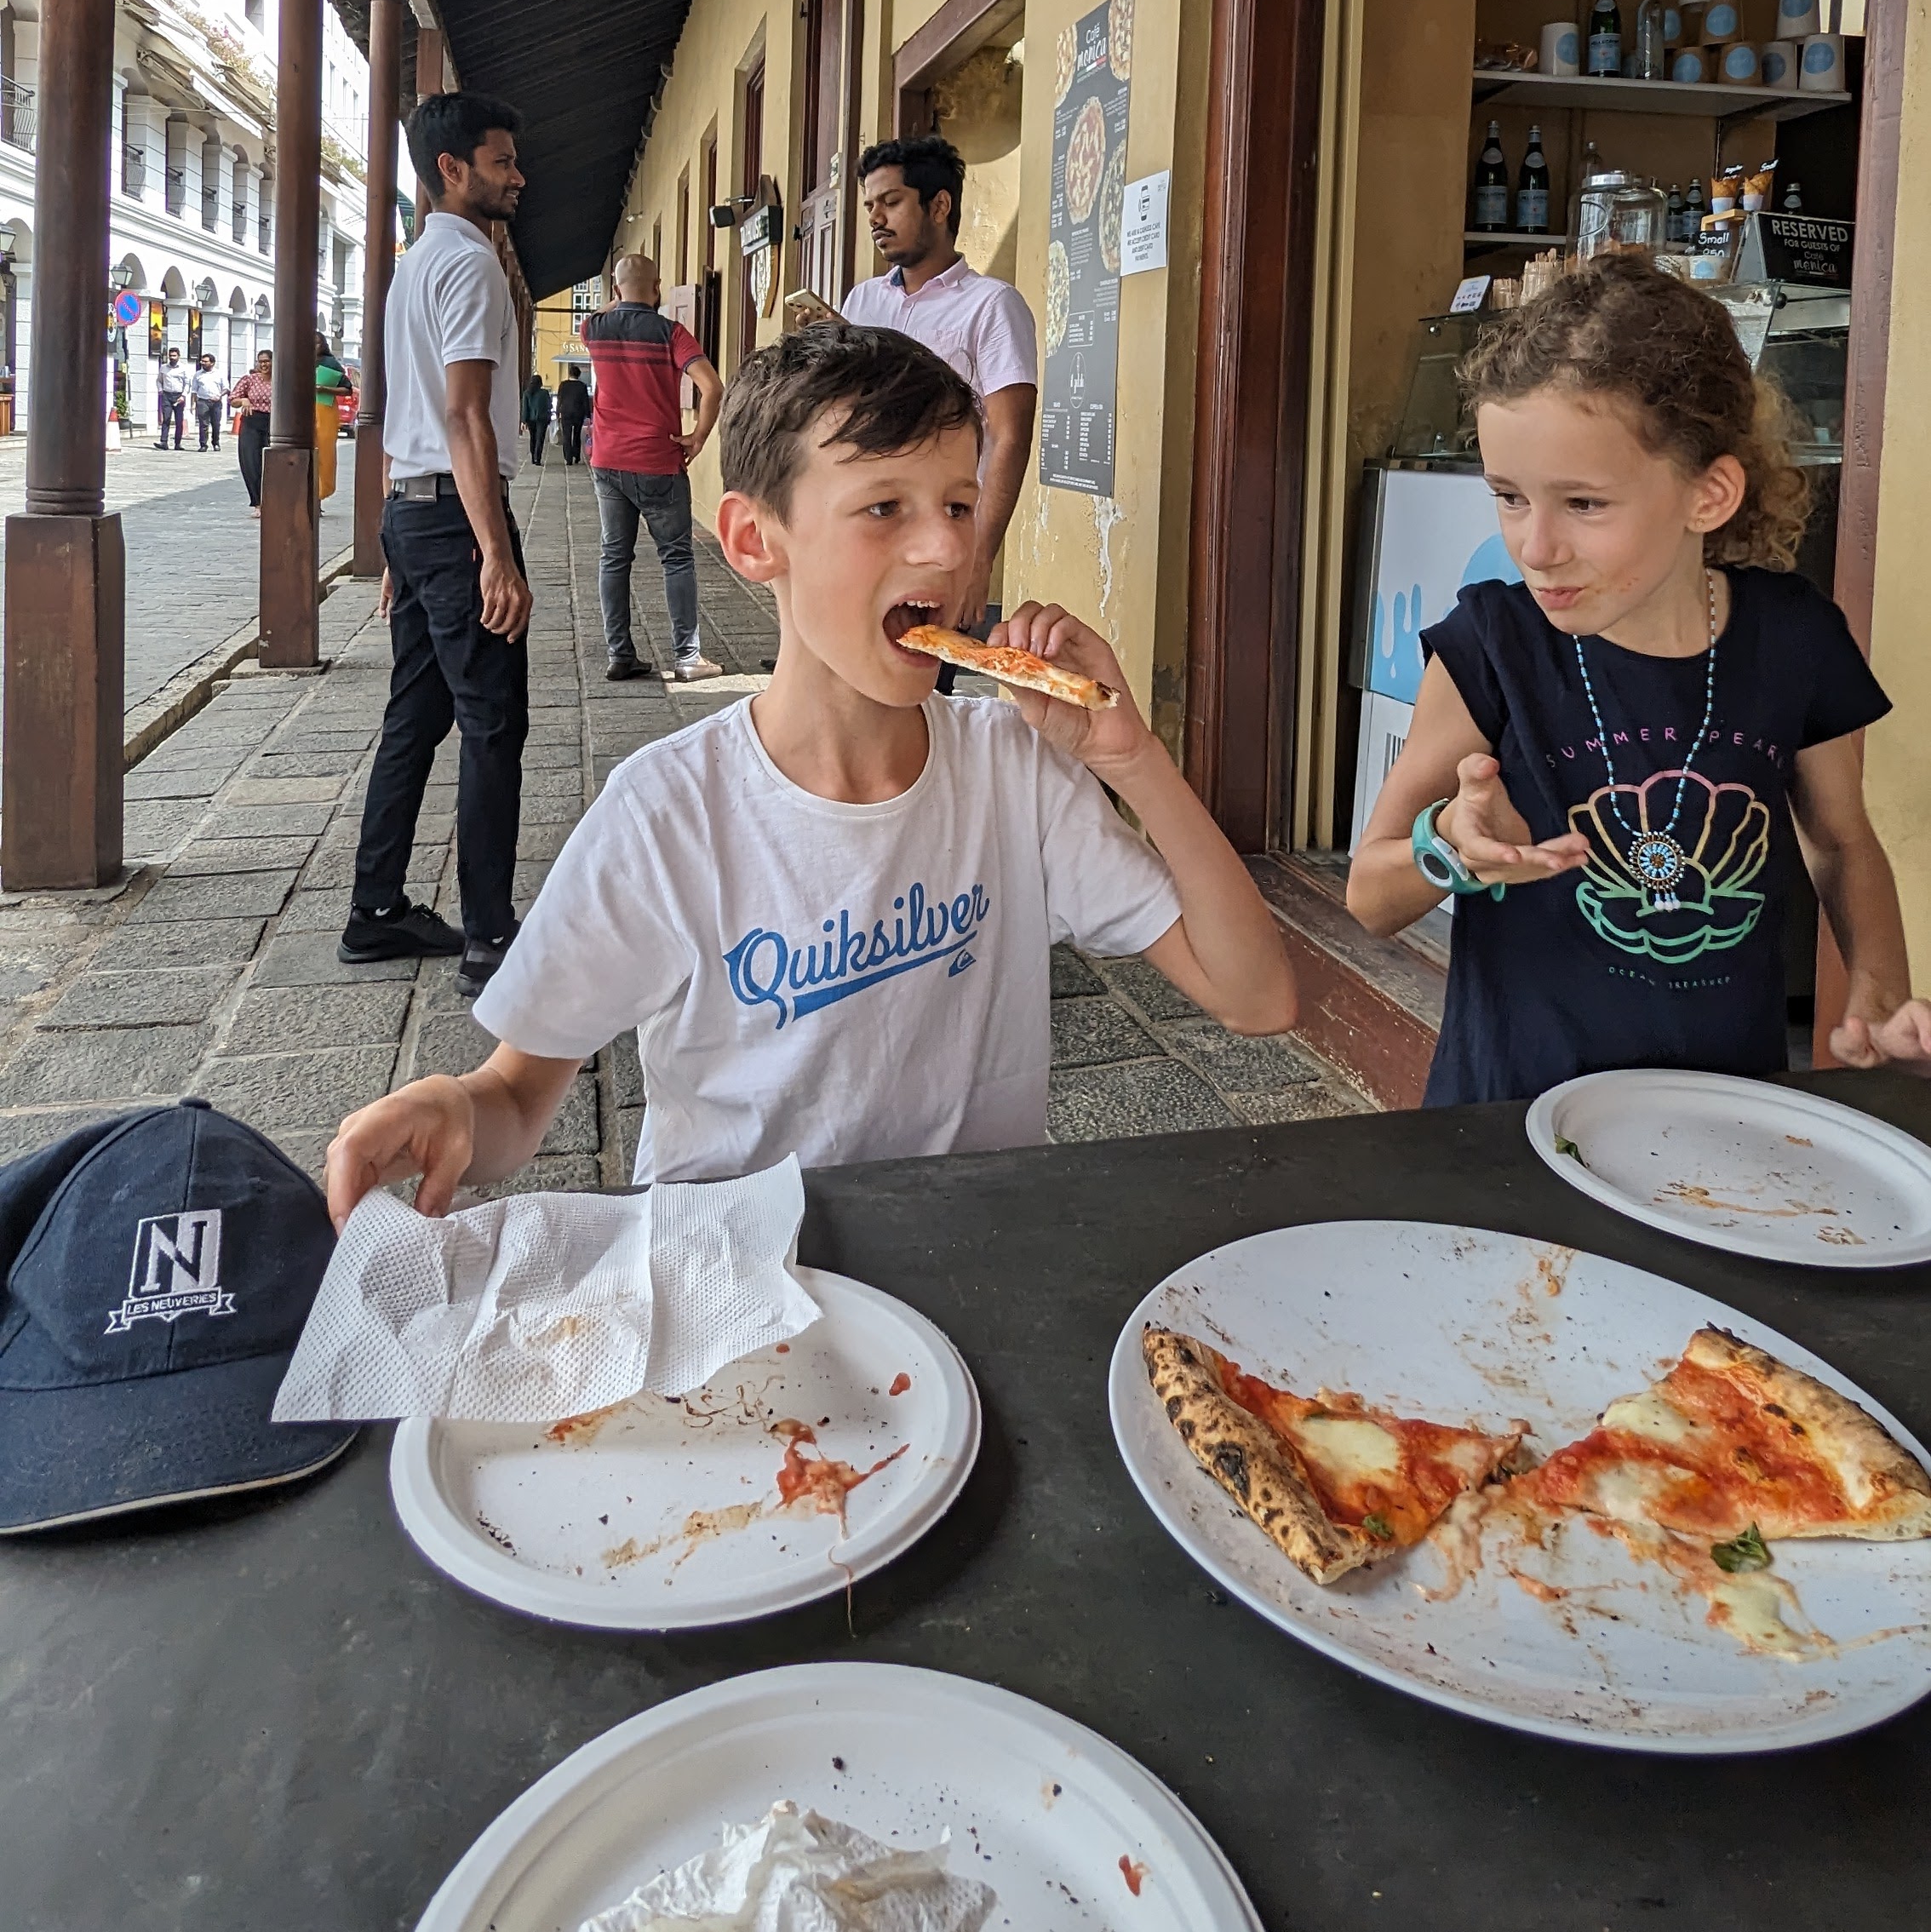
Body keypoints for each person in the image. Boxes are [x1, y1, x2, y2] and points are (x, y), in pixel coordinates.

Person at [323, 324, 1296, 1213]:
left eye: (959, 504)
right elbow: (517, 1094)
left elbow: (1257, 998)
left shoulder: (1015, 773)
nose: (945, 547)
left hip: (975, 1258)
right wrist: (456, 1108)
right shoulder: (670, 813)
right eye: (884, 507)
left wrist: (1134, 758)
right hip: (738, 1284)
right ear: (755, 540)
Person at [1347, 251, 1931, 1105]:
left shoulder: (1794, 638)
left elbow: (1842, 842)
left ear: (1709, 495)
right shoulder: (1491, 648)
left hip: (1727, 1111)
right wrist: (1450, 848)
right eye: (1509, 496)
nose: (1536, 547)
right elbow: (1369, 897)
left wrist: (1877, 987)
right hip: (1510, 1118)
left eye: (1584, 503)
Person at [340, 92, 531, 996]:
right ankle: (489, 938)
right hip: (454, 518)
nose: (518, 176)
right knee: (493, 722)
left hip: (414, 513)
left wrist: (396, 540)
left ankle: (375, 910)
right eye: (502, 162)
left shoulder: (411, 267)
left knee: (415, 715)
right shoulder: (470, 265)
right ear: (452, 169)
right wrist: (494, 551)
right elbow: (462, 415)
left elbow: (401, 406)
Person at [841, 136, 1038, 695]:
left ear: (939, 205)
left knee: (919, 692)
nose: (876, 218)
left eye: (891, 202)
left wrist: (979, 557)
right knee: (853, 685)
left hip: (936, 537)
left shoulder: (991, 306)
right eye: (870, 205)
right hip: (862, 526)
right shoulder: (863, 304)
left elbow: (1010, 436)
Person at [578, 251, 725, 684]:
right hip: (659, 461)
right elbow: (713, 387)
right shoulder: (672, 333)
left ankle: (620, 654)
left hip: (608, 462)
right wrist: (698, 437)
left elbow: (607, 308)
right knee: (676, 557)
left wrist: (619, 298)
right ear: (658, 288)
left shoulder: (594, 329)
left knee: (614, 557)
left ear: (616, 289)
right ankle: (687, 658)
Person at [229, 347, 272, 509]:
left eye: (267, 361)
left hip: (273, 422)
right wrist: (243, 400)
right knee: (250, 462)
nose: (264, 365)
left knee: (272, 463)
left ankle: (272, 499)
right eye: (261, 362)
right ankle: (257, 503)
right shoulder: (250, 380)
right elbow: (233, 399)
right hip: (252, 421)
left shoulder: (281, 380)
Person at [313, 331, 344, 507]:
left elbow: (347, 389)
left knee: (324, 453)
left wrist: (325, 389)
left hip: (324, 410)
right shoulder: (298, 360)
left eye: (317, 343)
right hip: (303, 411)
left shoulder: (330, 363)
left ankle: (321, 493)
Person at [554, 364, 592, 465]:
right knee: (577, 434)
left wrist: (558, 412)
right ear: (579, 375)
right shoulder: (582, 386)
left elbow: (559, 399)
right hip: (578, 413)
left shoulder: (563, 385)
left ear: (569, 374)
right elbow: (585, 402)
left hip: (566, 413)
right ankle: (576, 456)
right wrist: (588, 415)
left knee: (566, 436)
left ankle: (568, 458)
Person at [154, 346, 187, 450]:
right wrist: (160, 390)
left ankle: (178, 443)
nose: (172, 358)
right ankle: (164, 442)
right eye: (171, 356)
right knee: (166, 418)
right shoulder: (163, 367)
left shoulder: (183, 368)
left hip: (179, 395)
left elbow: (187, 383)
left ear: (178, 356)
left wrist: (183, 395)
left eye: (174, 356)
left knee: (179, 421)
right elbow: (159, 380)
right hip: (167, 395)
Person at [520, 375, 553, 467]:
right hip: (542, 419)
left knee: (533, 438)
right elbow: (549, 405)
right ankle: (537, 458)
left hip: (531, 419)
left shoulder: (527, 393)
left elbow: (525, 409)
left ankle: (533, 457)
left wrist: (523, 421)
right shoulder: (545, 393)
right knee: (540, 439)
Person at [192, 353, 223, 451]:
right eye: (202, 361)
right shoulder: (198, 374)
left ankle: (216, 443)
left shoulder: (219, 374)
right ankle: (203, 444)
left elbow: (226, 388)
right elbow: (194, 390)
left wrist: (219, 395)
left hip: (216, 402)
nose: (203, 363)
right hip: (202, 401)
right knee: (203, 424)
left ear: (212, 363)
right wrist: (194, 403)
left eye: (206, 362)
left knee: (216, 424)